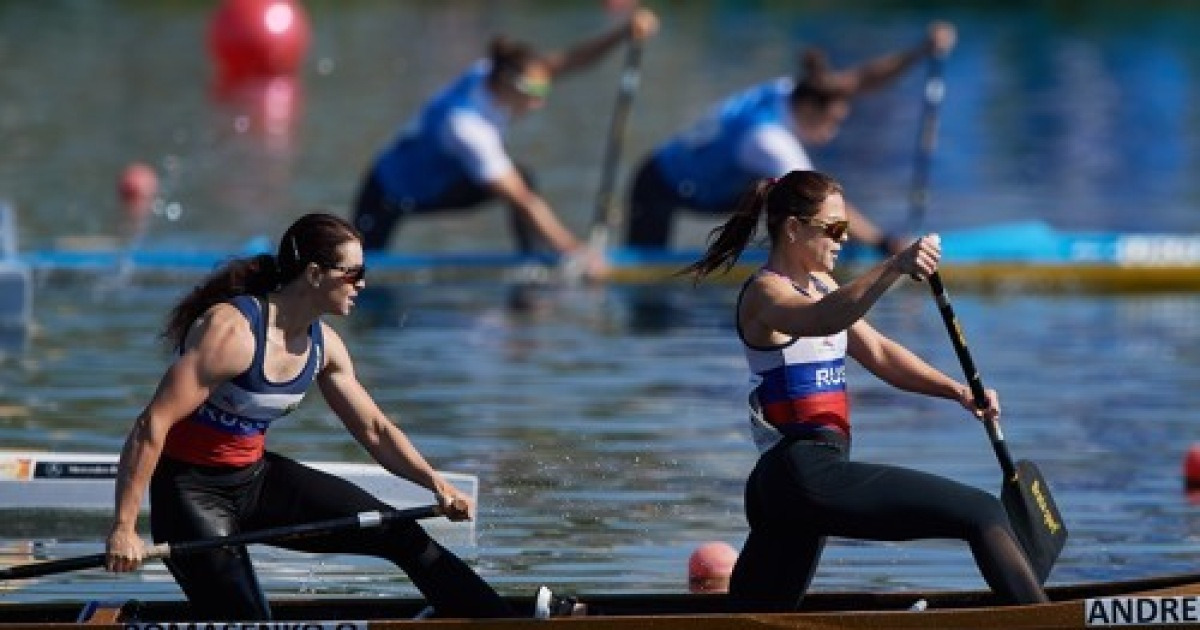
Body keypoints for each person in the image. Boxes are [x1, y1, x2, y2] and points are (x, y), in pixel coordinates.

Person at [104, 212, 516, 620]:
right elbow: (150, 426)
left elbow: (374, 429)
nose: (363, 284)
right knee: (248, 623)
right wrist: (124, 527)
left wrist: (436, 485)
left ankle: (498, 621)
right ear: (316, 274)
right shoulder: (232, 334)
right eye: (354, 274)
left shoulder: (325, 346)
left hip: (256, 480)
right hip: (190, 493)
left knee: (399, 534)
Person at [681, 170, 1048, 611]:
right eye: (834, 229)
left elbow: (879, 352)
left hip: (792, 485)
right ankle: (1045, 620)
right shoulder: (765, 294)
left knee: (756, 617)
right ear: (794, 229)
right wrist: (894, 265)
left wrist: (958, 392)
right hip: (802, 472)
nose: (842, 240)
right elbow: (821, 320)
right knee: (982, 513)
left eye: (846, 230)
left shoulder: (822, 286)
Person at [352, 9, 659, 279]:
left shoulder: (493, 73)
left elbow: (570, 61)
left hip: (440, 181)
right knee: (355, 275)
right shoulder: (467, 127)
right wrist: (578, 252)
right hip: (387, 193)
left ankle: (537, 264)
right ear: (506, 84)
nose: (540, 101)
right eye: (534, 91)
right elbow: (522, 200)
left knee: (523, 175)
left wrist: (622, 34)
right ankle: (555, 258)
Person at [627, 22, 956, 253]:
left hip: (701, 178)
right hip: (662, 186)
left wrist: (920, 52)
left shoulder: (794, 90)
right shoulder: (769, 141)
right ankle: (789, 259)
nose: (832, 133)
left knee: (786, 197)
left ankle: (786, 253)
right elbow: (825, 203)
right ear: (811, 107)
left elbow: (863, 78)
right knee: (803, 199)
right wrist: (883, 242)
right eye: (831, 123)